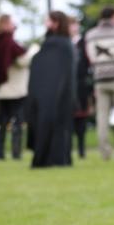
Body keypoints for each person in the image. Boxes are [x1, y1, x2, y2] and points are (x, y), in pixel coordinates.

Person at [0, 14, 38, 160]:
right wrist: (33, 51)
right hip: (15, 90)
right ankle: (16, 154)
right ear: (5, 24)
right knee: (17, 123)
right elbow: (21, 61)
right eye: (12, 23)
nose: (14, 25)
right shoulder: (8, 42)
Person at [26, 11, 76, 168]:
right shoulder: (62, 44)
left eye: (48, 21)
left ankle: (53, 157)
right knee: (55, 124)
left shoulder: (58, 44)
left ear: (56, 23)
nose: (46, 23)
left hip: (55, 93)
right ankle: (57, 157)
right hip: (56, 92)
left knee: (53, 123)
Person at [85, 5, 114, 159]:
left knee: (102, 116)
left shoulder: (91, 35)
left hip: (100, 79)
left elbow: (91, 57)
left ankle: (105, 152)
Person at [70, 18, 93, 159]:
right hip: (67, 86)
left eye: (76, 24)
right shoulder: (64, 43)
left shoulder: (84, 43)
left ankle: (81, 149)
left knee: (81, 120)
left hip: (81, 86)